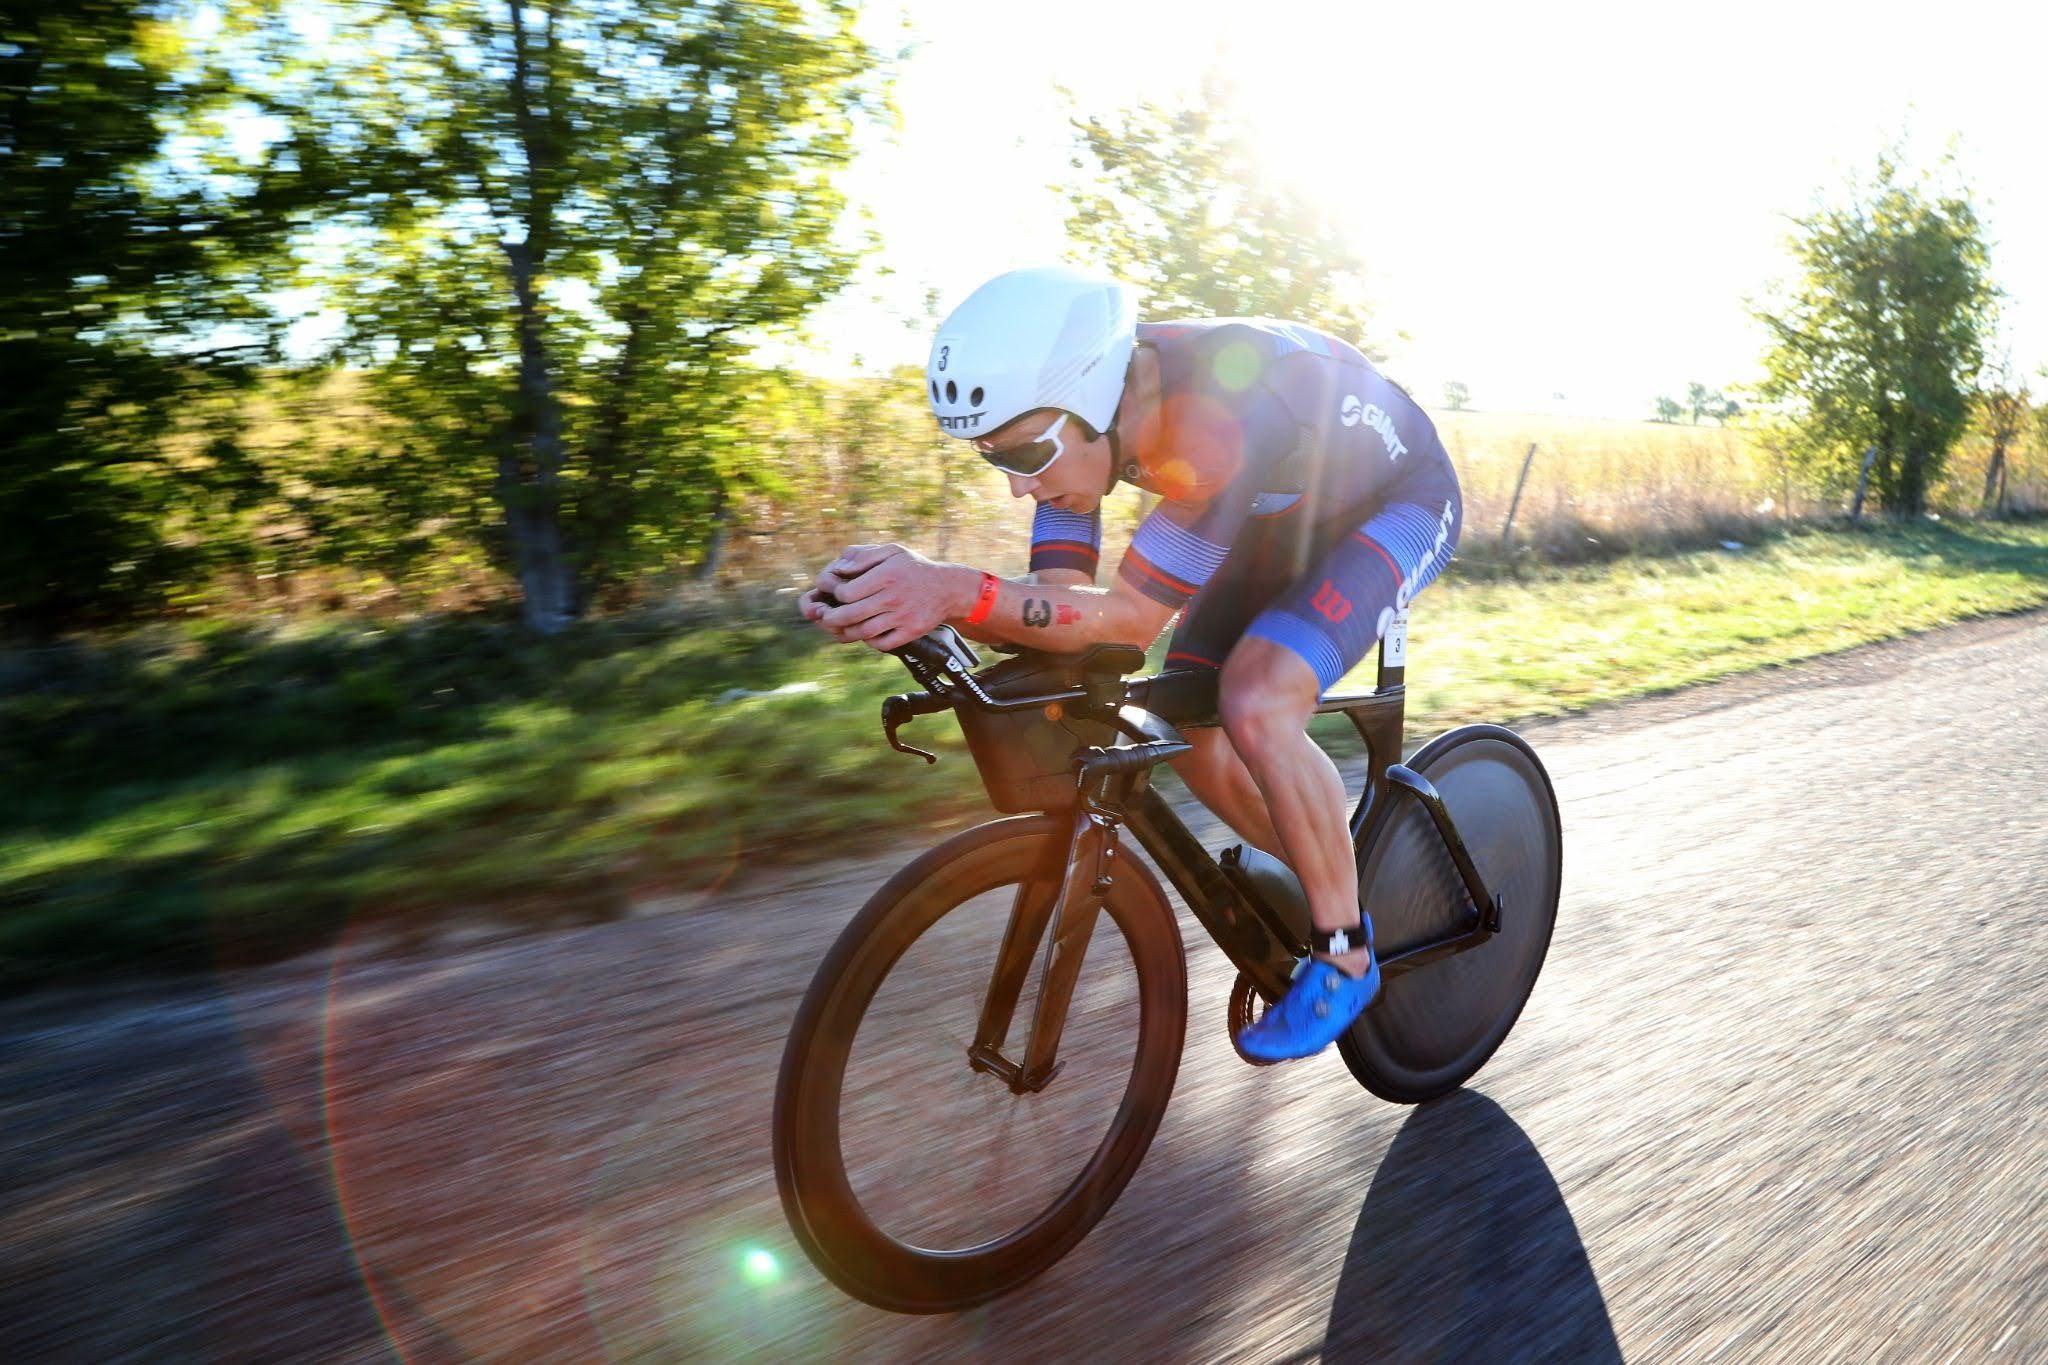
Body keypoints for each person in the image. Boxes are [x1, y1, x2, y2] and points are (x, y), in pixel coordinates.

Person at [800, 265, 1461, 1061]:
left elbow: (1126, 620)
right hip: (1277, 511)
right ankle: (1352, 880)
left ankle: (1347, 953)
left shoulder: (1216, 419)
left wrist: (951, 590)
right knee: (1197, 723)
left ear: (1103, 399)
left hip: (1398, 502)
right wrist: (899, 603)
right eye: (991, 455)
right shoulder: (1073, 418)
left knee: (1255, 699)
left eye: (1027, 450)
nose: (1018, 485)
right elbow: (1060, 606)